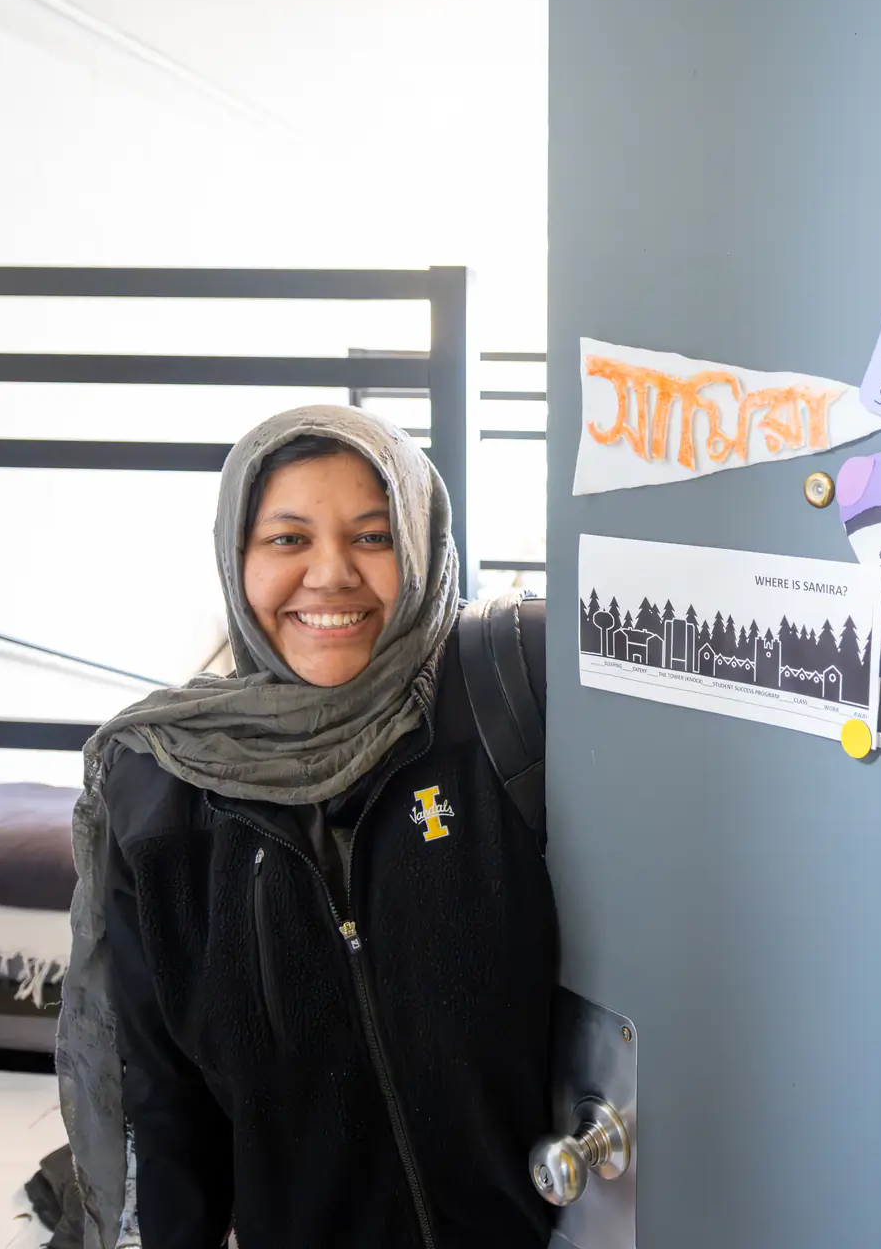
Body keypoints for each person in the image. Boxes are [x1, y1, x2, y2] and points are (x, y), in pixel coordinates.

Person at [57, 405, 556, 1248]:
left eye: (372, 537)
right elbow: (163, 1104)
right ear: (236, 559)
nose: (330, 574)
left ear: (424, 546)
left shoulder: (512, 694)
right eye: (288, 540)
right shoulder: (162, 786)